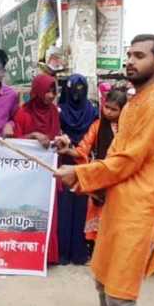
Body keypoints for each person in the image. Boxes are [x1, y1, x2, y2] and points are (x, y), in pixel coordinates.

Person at [54, 34, 154, 306]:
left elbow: (127, 160)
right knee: (103, 279)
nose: (130, 61)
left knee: (121, 297)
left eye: (139, 56)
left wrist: (81, 175)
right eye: (129, 55)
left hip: (140, 209)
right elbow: (115, 155)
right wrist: (87, 173)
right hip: (118, 202)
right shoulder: (136, 101)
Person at [59, 89, 127, 248]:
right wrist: (69, 150)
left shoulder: (129, 128)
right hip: (101, 178)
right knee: (99, 219)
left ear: (123, 110)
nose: (108, 112)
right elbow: (84, 148)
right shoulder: (97, 126)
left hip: (122, 178)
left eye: (114, 109)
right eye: (107, 107)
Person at [12, 74, 61, 264]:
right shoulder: (23, 113)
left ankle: (47, 255)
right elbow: (14, 144)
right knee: (24, 213)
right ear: (38, 91)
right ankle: (23, 253)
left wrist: (59, 141)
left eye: (54, 91)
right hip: (26, 176)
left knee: (48, 213)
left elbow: (56, 136)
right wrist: (32, 135)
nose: (51, 95)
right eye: (47, 91)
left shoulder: (54, 112)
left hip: (47, 174)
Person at [57, 74, 97, 265]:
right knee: (64, 208)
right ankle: (63, 253)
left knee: (81, 209)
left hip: (83, 164)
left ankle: (79, 253)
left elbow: (94, 139)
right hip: (62, 163)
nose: (76, 93)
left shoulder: (92, 112)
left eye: (81, 89)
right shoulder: (59, 111)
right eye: (74, 88)